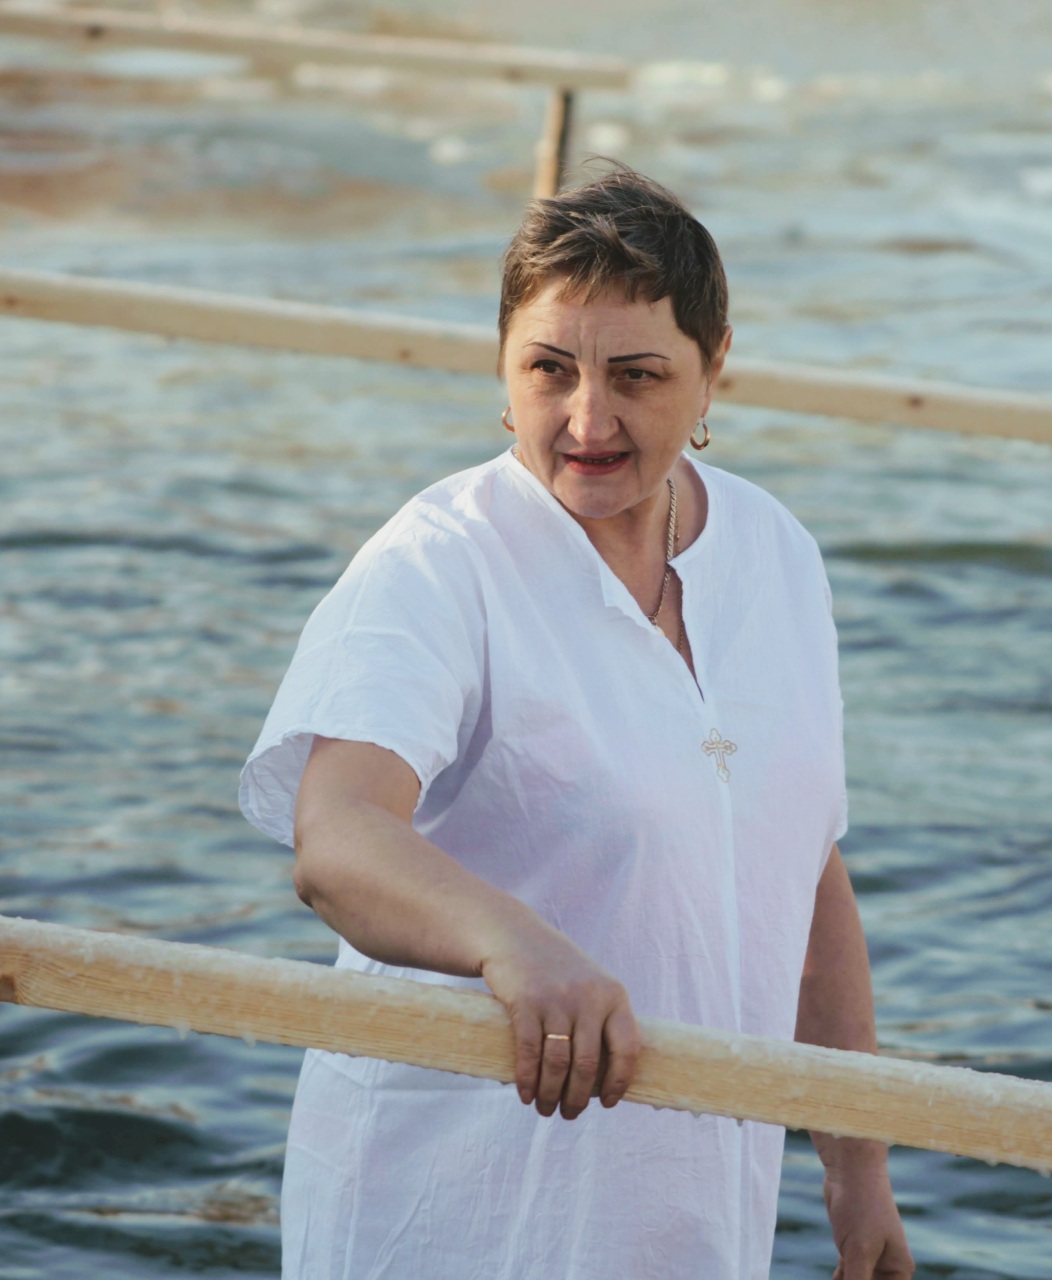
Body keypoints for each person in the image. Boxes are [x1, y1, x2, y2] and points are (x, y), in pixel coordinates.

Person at [239, 164, 913, 1280]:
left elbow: (804, 864)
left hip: (692, 1215)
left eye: (637, 376)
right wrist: (515, 942)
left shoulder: (776, 553)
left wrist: (857, 1164)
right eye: (549, 369)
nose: (589, 419)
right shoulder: (437, 564)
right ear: (502, 367)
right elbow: (339, 834)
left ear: (715, 369)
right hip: (452, 1215)